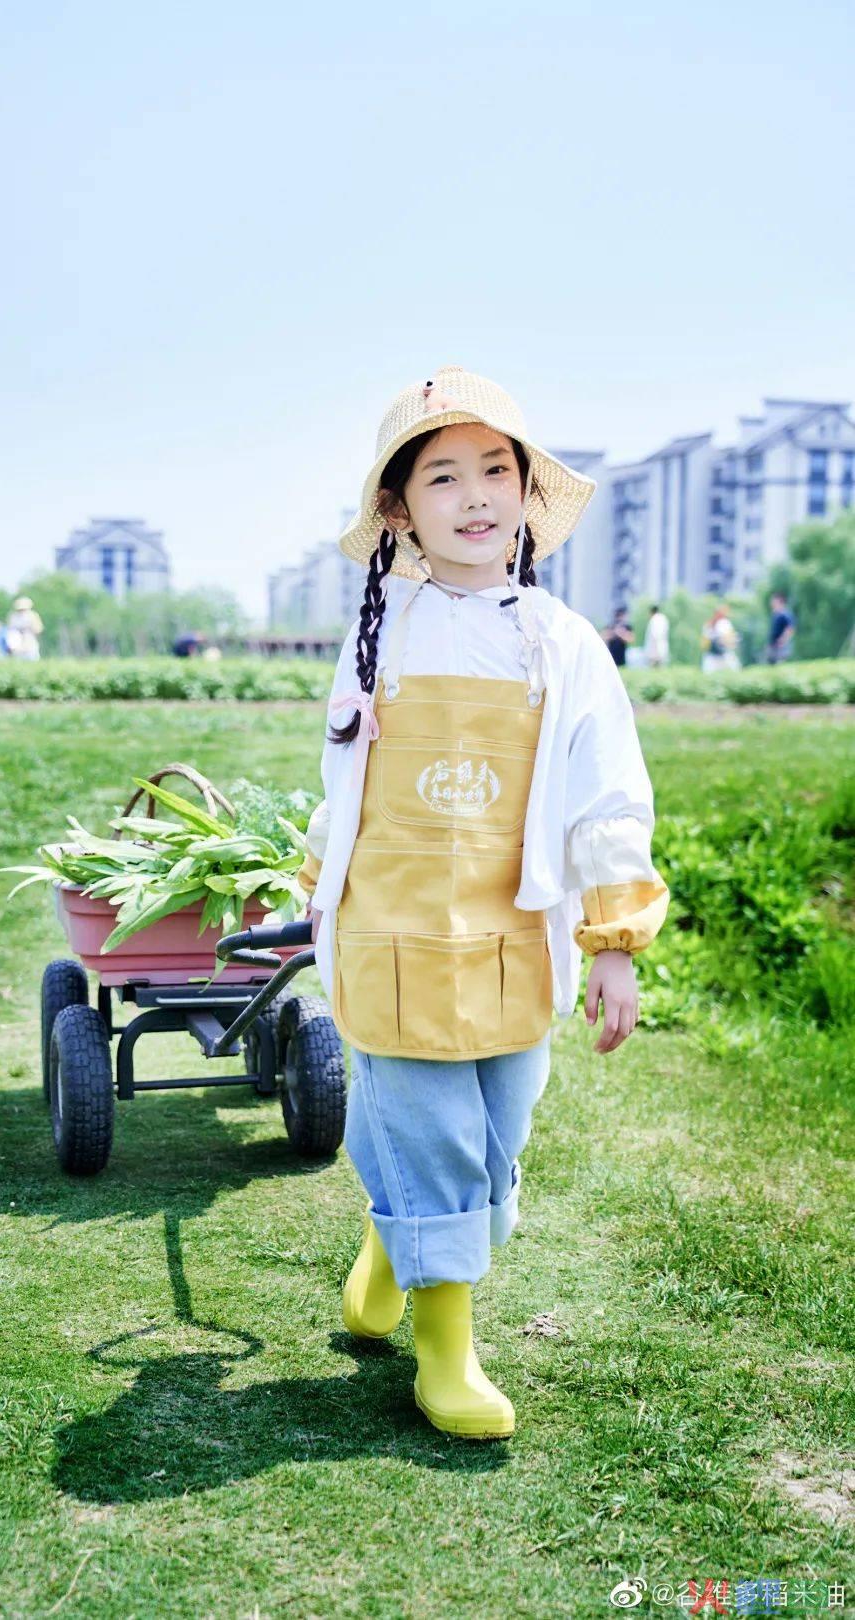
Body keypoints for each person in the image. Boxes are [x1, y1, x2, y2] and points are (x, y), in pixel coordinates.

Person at [294, 365, 671, 1442]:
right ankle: (446, 1358)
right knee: (431, 1129)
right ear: (400, 509)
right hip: (394, 930)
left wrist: (612, 943)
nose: (474, 496)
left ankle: (390, 1244)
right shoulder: (383, 633)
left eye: (494, 470)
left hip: (514, 932)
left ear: (524, 494)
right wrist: (315, 883)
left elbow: (607, 796)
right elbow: (342, 790)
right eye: (442, 475)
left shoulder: (561, 643)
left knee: (497, 1139)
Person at [701, 605, 740, 673]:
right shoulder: (719, 623)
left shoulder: (720, 623)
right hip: (715, 654)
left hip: (720, 654)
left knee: (735, 668)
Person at [6, 595, 44, 660]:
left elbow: (38, 629)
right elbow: (10, 631)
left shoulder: (32, 615)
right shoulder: (13, 616)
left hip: (30, 640)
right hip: (17, 642)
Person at [766, 592, 796, 663]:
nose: (772, 603)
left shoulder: (785, 614)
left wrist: (783, 640)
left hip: (780, 645)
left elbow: (790, 629)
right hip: (774, 644)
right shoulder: (776, 614)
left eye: (774, 601)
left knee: (780, 662)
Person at [643, 603, 670, 667]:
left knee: (654, 663)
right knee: (661, 663)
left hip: (655, 645)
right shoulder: (663, 618)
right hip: (662, 644)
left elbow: (655, 634)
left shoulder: (654, 619)